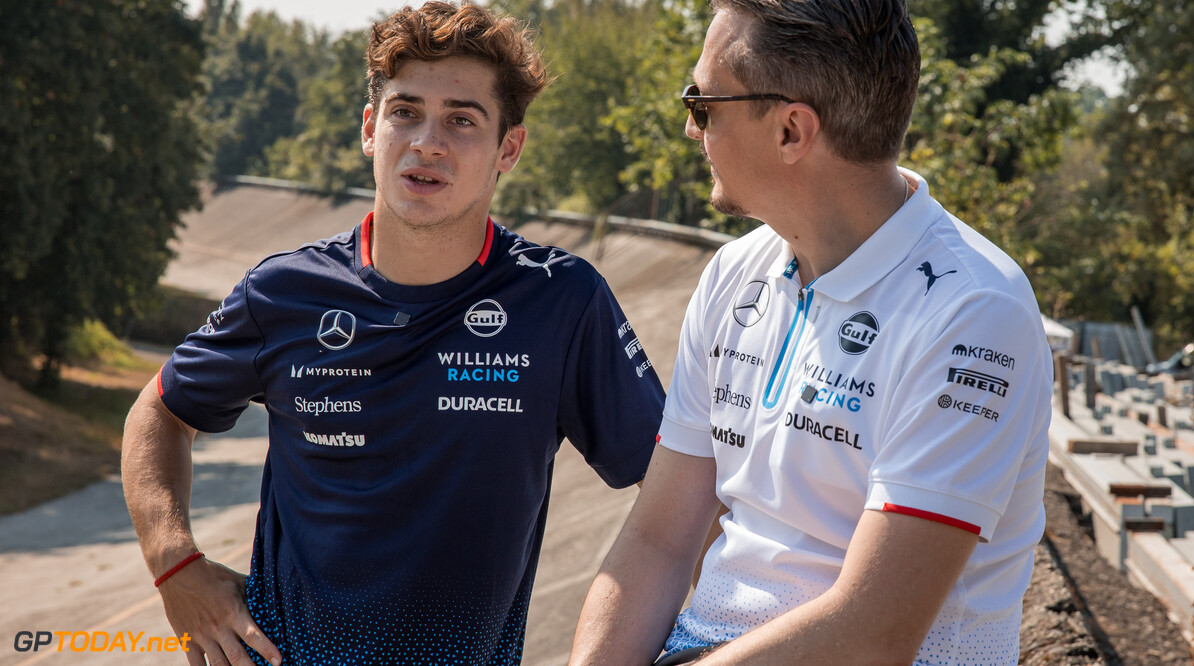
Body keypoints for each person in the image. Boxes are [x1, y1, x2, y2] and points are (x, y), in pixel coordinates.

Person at [122, 3, 665, 664]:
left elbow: (674, 495)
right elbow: (159, 412)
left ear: (509, 150)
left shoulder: (562, 303)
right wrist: (174, 565)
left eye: (462, 120)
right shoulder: (283, 292)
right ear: (370, 129)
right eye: (405, 111)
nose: (426, 142)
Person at [568, 0, 1051, 664]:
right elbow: (659, 540)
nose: (689, 128)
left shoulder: (974, 311)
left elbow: (872, 633)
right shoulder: (735, 273)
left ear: (792, 130)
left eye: (702, 104)